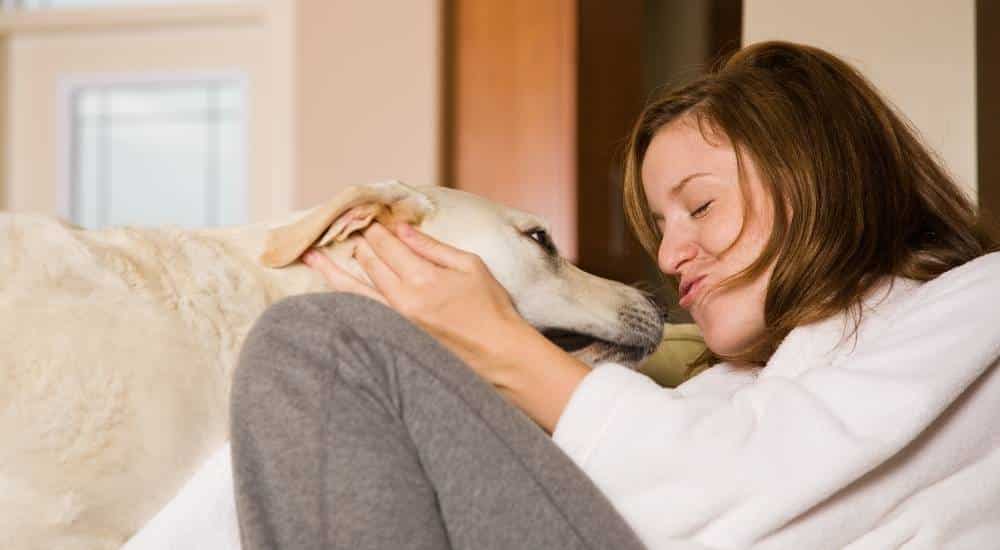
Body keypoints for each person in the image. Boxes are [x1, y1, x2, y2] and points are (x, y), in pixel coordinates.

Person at [229, 41, 1000, 549]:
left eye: (700, 206)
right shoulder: (732, 390)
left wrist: (501, 348)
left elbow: (749, 492)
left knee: (324, 343)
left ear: (822, 179)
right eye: (661, 226)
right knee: (323, 355)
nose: (669, 254)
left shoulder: (978, 304)